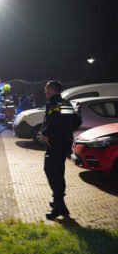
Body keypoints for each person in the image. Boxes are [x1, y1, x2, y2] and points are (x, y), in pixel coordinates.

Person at [40, 80, 81, 219]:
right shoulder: (65, 103)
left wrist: (47, 134)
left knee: (51, 171)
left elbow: (54, 122)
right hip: (63, 144)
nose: (45, 91)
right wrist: (66, 133)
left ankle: (58, 206)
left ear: (52, 89)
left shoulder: (54, 104)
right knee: (58, 171)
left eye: (46, 89)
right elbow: (76, 121)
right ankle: (59, 203)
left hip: (55, 144)